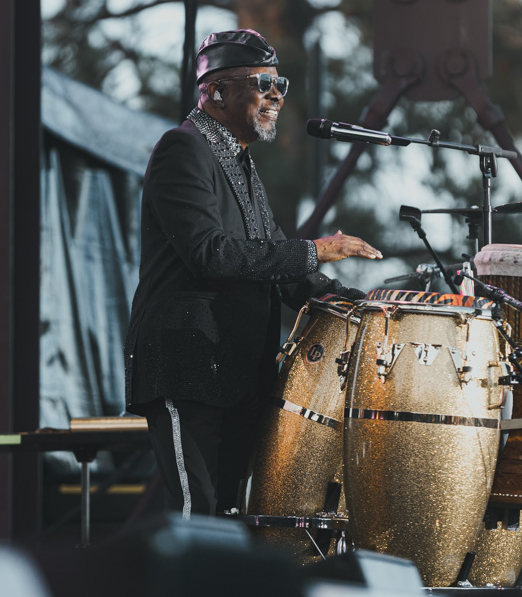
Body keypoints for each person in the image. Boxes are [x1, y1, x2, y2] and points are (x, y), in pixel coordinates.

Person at [124, 28, 383, 518]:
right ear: (217, 91)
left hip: (237, 372)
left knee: (228, 519)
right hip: (188, 366)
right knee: (197, 516)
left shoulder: (240, 163)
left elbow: (281, 268)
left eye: (280, 84)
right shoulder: (183, 149)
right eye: (263, 83)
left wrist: (358, 304)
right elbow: (210, 253)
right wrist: (314, 250)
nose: (277, 95)